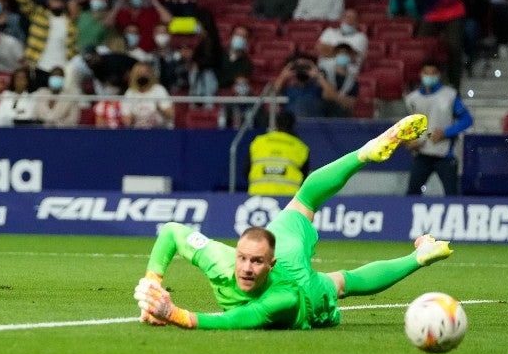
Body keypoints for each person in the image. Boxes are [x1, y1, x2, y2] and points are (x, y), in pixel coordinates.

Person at [134, 114, 455, 330]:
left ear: (270, 264)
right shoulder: (222, 261)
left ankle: (418, 257)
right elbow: (173, 231)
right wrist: (153, 281)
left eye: (256, 262)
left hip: (304, 290)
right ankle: (365, 153)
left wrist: (172, 313)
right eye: (243, 259)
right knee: (304, 200)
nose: (246, 268)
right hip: (283, 242)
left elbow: (233, 320)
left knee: (343, 283)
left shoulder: (284, 298)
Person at [403, 60, 473, 196]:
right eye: (426, 73)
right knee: (412, 192)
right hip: (422, 152)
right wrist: (409, 140)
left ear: (439, 75)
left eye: (433, 73)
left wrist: (446, 133)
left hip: (445, 154)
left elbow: (467, 120)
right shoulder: (412, 99)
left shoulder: (449, 96)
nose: (429, 76)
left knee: (451, 194)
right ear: (420, 74)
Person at [247, 110, 309, 196]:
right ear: (293, 125)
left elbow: (246, 170)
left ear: (276, 124)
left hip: (257, 194)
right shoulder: (300, 147)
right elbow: (305, 177)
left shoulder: (258, 142)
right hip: (289, 199)